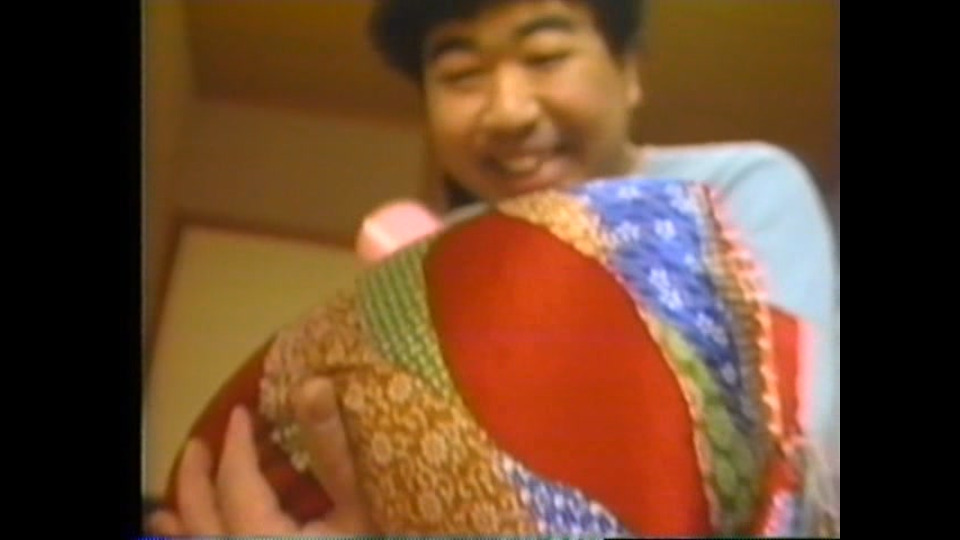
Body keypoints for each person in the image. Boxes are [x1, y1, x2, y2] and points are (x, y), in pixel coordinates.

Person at [147, 0, 838, 535]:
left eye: (545, 55)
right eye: (460, 75)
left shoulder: (733, 190)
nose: (507, 111)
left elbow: (795, 446)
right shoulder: (439, 255)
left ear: (629, 72)